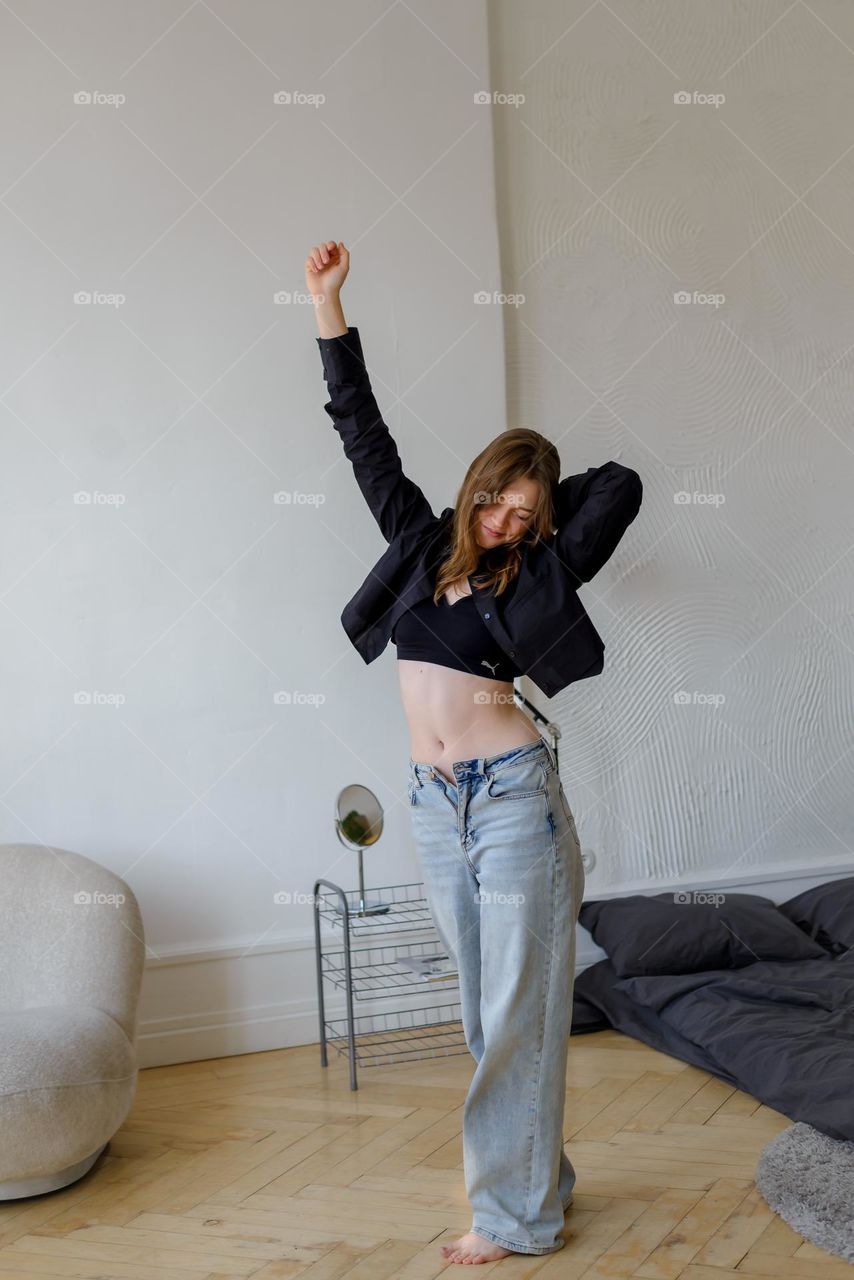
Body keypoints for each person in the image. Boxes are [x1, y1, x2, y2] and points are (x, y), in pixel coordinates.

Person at [305, 240, 642, 1263]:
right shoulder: (417, 542)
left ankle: (512, 1215)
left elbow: (618, 483)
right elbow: (360, 432)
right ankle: (542, 1177)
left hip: (511, 803)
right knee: (483, 1011)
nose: (500, 521)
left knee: (512, 1012)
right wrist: (327, 304)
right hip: (429, 805)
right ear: (470, 487)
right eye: (493, 498)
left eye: (522, 513)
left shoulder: (537, 576)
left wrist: (542, 479)